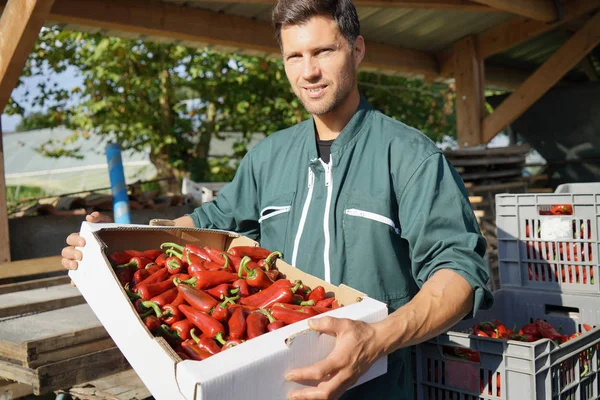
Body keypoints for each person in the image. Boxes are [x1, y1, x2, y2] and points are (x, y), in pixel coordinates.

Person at [62, 0, 493, 399]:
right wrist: (112, 240)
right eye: (294, 56)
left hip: (376, 385)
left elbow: (458, 271)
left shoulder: (408, 155)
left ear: (357, 50)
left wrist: (376, 339)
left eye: (324, 51)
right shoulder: (268, 158)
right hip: (272, 383)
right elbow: (209, 226)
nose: (309, 72)